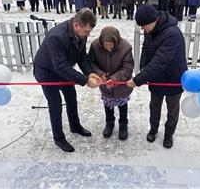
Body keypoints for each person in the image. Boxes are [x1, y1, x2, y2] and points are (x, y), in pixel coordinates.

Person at [33, 9, 101, 152]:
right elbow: (60, 66)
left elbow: (81, 56)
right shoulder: (56, 37)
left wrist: (89, 73)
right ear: (76, 25)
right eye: (86, 31)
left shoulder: (81, 33)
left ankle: (75, 126)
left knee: (71, 97)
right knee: (56, 104)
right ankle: (59, 138)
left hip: (63, 70)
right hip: (47, 72)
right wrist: (85, 80)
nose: (89, 35)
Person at [127, 4, 187, 149]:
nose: (142, 29)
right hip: (156, 77)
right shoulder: (151, 30)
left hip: (173, 77)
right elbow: (146, 50)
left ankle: (168, 134)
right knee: (155, 106)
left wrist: (138, 80)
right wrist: (143, 68)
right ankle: (153, 129)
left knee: (172, 108)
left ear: (154, 20)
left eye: (143, 25)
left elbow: (161, 61)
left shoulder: (172, 33)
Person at [89, 27, 134, 140]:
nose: (108, 48)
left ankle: (123, 124)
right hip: (105, 85)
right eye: (106, 45)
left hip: (121, 85)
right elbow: (91, 63)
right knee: (108, 105)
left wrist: (114, 79)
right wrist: (100, 74)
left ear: (116, 42)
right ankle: (110, 123)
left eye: (111, 45)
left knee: (122, 105)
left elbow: (127, 68)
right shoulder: (95, 46)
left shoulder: (126, 48)